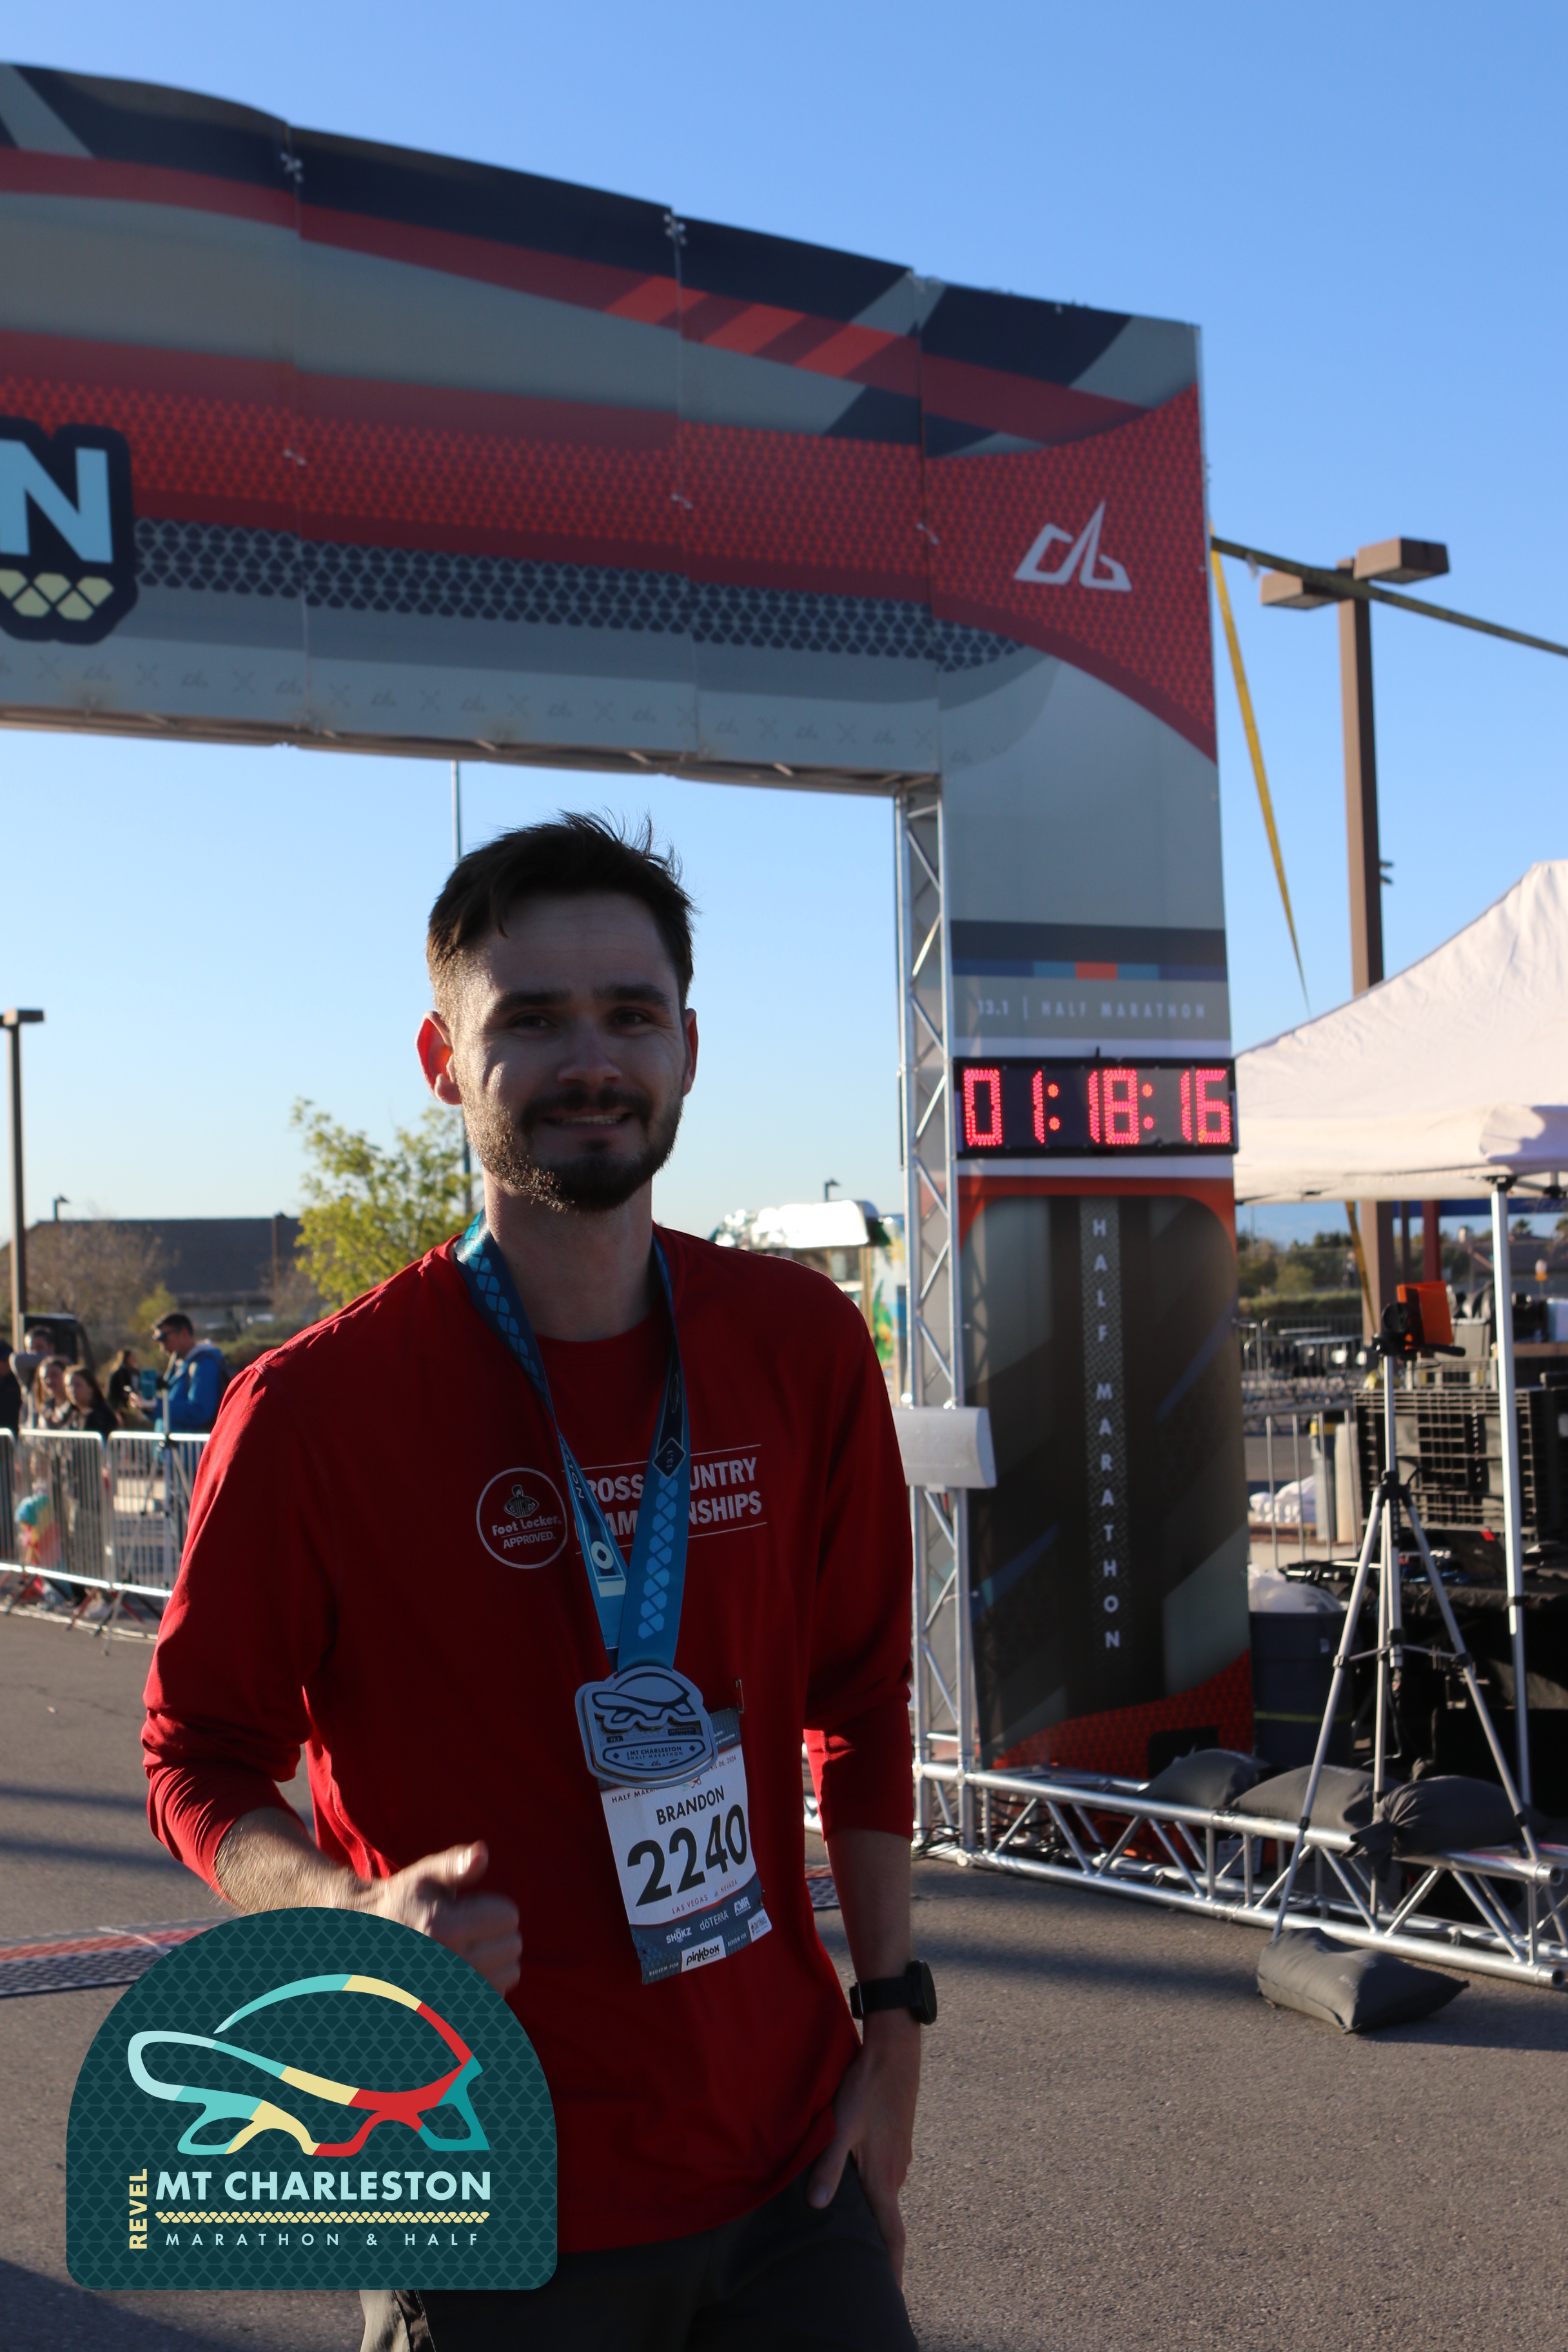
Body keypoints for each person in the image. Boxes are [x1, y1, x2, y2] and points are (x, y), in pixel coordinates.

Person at [143, 816, 925, 2352]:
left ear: (687, 1046)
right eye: (534, 1020)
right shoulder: (314, 1410)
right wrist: (351, 1911)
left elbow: (859, 1698)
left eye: (630, 1013)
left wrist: (892, 2018)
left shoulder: (799, 1346)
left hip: (787, 2174)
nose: (590, 1060)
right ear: (444, 1060)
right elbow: (195, 1757)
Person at [152, 1312, 227, 1433]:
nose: (163, 1348)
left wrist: (157, 1406)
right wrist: (149, 1406)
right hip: (174, 1443)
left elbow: (200, 1412)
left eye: (165, 1338)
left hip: (193, 1444)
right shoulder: (180, 1365)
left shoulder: (205, 1364)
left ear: (184, 1333)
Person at [67, 1366, 119, 1442]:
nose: (72, 1390)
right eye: (69, 1386)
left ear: (91, 1388)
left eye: (78, 1385)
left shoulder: (98, 1415)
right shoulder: (75, 1413)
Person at [105, 1348, 146, 1425]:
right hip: (119, 1403)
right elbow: (127, 1388)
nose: (134, 1358)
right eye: (132, 1356)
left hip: (117, 1402)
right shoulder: (123, 1371)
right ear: (127, 1358)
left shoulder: (122, 1370)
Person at [0, 1340, 20, 1440]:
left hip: (14, 1438)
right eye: (4, 1359)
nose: (8, 1363)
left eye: (10, 1359)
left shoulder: (18, 1380)